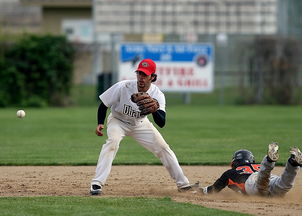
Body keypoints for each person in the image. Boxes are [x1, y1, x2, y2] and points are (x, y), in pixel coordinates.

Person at [90, 58, 192, 195]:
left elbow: (162, 123)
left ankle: (183, 184)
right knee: (112, 143)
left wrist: (155, 110)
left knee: (163, 148)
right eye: (139, 73)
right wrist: (100, 123)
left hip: (140, 124)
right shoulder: (123, 87)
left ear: (153, 77)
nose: (141, 78)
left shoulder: (158, 95)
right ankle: (97, 183)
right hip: (118, 120)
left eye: (145, 75)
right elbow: (104, 105)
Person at [200, 143, 302, 197]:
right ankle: (292, 163)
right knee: (284, 184)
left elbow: (213, 190)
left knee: (261, 183)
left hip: (253, 182)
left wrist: (200, 190)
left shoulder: (231, 172)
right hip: (272, 179)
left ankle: (269, 160)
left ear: (234, 162)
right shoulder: (257, 165)